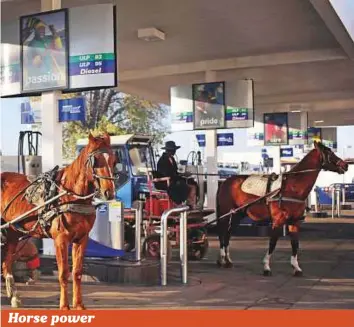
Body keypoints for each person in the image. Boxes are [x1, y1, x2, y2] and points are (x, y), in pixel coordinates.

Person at [157, 141, 199, 209]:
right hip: (166, 182)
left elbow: (175, 172)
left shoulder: (172, 159)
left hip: (174, 179)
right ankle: (180, 203)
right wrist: (178, 177)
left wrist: (184, 174)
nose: (174, 152)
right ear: (169, 150)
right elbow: (166, 174)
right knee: (183, 186)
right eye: (173, 150)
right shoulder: (162, 160)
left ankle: (191, 204)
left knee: (193, 183)